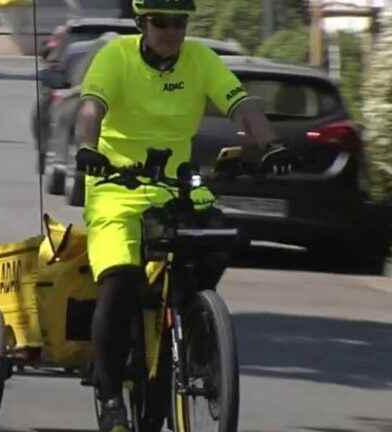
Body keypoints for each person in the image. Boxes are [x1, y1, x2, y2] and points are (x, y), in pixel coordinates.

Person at [73, 1, 292, 431]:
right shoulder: (115, 56)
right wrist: (89, 150)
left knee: (220, 239)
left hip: (176, 185)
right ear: (141, 23)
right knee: (119, 280)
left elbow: (242, 105)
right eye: (160, 22)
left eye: (179, 22)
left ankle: (194, 326)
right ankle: (110, 391)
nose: (171, 31)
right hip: (117, 186)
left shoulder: (201, 60)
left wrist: (271, 144)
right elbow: (90, 109)